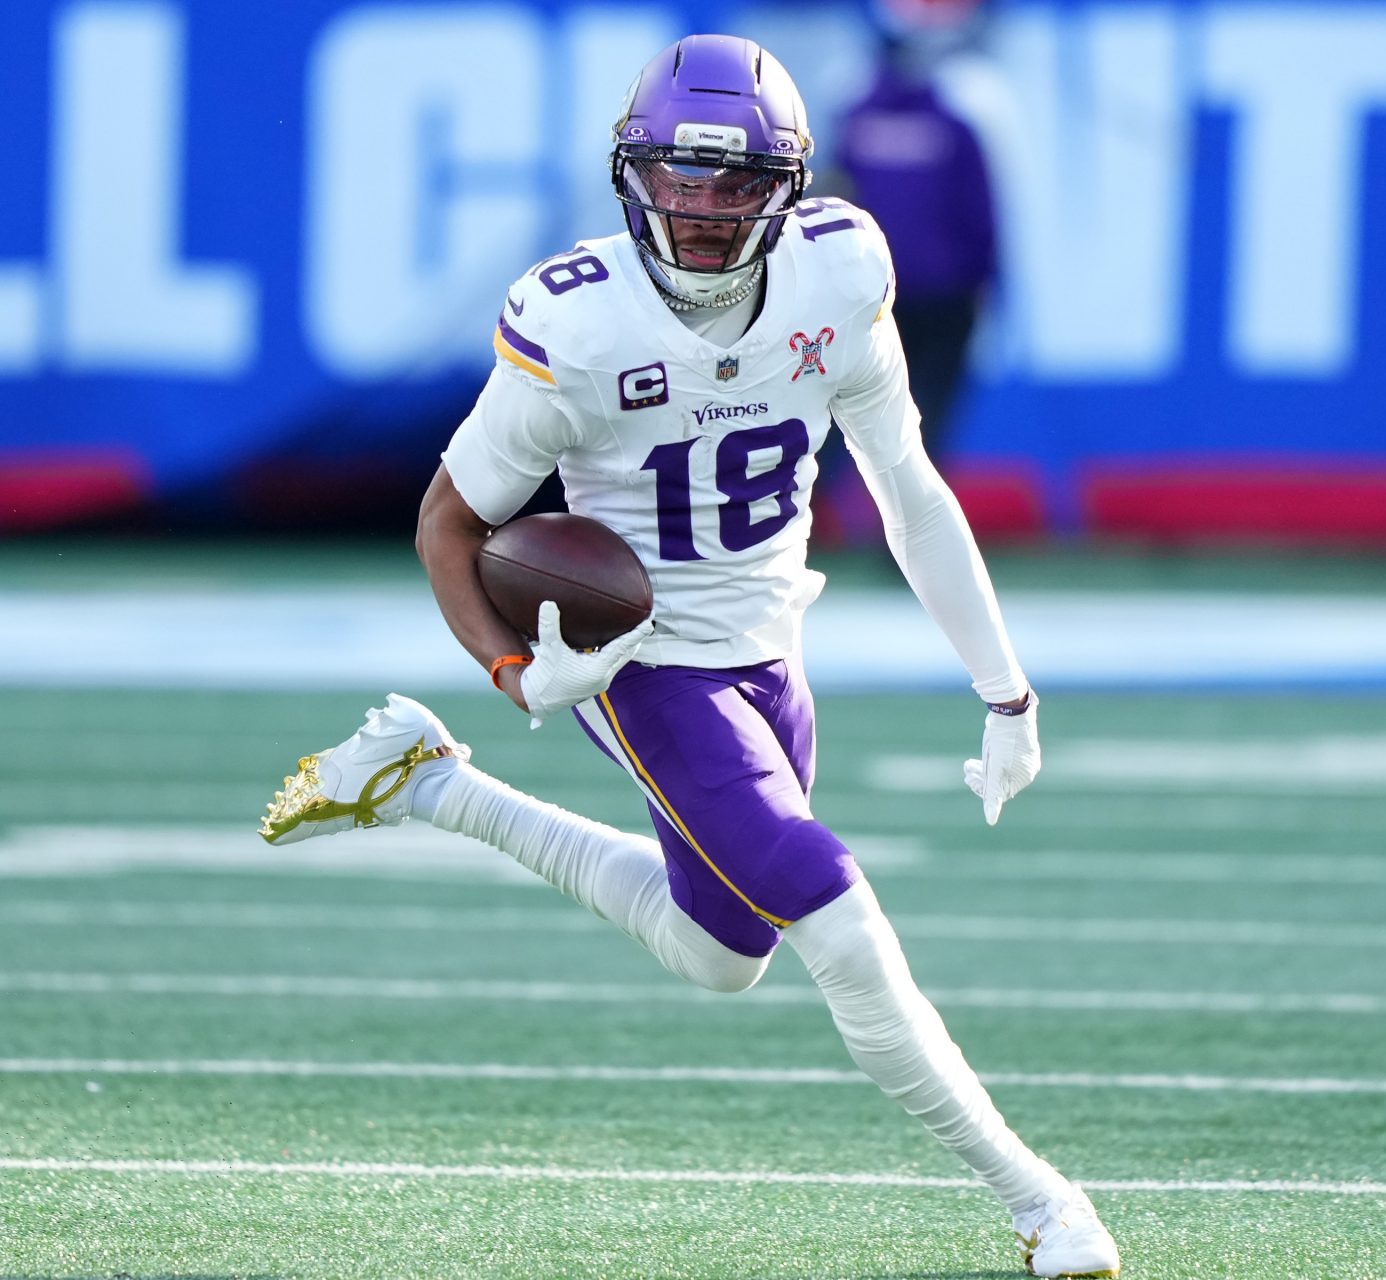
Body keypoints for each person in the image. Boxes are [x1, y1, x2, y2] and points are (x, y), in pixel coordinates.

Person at [257, 34, 1120, 1280]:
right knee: (834, 911)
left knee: (726, 953)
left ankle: (432, 783)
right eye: (679, 177)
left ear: (788, 186)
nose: (703, 211)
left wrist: (1005, 686)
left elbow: (911, 491)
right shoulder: (578, 319)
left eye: (733, 184)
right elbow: (450, 521)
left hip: (771, 639)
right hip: (643, 651)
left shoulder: (839, 272)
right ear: (630, 173)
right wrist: (514, 668)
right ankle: (1042, 1199)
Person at [837, 34, 1000, 461]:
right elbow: (977, 212)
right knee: (929, 420)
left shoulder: (855, 125)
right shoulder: (952, 127)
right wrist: (986, 281)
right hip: (946, 297)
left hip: (876, 297)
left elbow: (831, 211)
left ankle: (830, 516)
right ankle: (910, 518)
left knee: (854, 413)